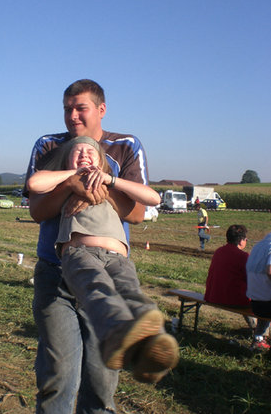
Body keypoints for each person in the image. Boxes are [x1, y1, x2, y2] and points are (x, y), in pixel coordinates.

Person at [21, 79, 173, 414]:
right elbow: (36, 208)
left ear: (101, 108)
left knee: (102, 380)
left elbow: (141, 213)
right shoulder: (50, 145)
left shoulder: (125, 146)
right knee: (57, 378)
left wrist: (103, 185)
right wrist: (72, 185)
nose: (72, 117)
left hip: (109, 266)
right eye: (67, 108)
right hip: (57, 273)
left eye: (81, 108)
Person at [27, 135, 178, 375]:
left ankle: (152, 347)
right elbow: (35, 184)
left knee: (130, 292)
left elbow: (154, 198)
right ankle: (116, 335)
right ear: (67, 161)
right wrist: (72, 175)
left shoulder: (110, 186)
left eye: (90, 152)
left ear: (101, 162)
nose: (84, 154)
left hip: (118, 257)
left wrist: (110, 180)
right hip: (80, 254)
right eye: (77, 152)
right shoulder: (65, 184)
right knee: (98, 290)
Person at [205, 224, 256, 330]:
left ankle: (255, 329)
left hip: (213, 295)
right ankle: (261, 335)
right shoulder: (244, 256)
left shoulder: (219, 251)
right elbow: (253, 281)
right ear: (241, 240)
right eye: (246, 239)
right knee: (263, 303)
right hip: (233, 299)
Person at [246, 232, 271, 352]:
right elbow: (270, 270)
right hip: (266, 305)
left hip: (255, 302)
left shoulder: (258, 246)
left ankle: (259, 338)